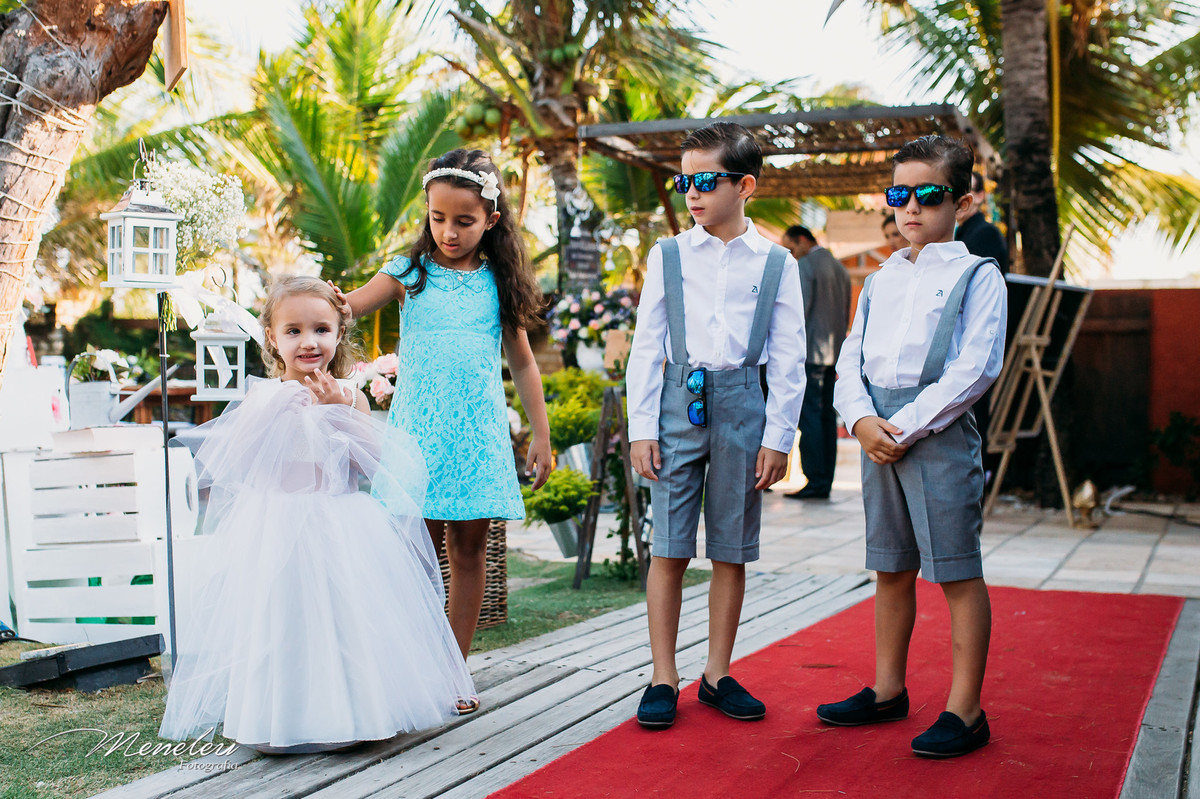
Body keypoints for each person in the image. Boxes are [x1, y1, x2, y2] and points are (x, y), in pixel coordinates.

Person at [160, 276, 476, 753]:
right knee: (282, 617)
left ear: (338, 334)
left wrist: (341, 410)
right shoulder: (263, 396)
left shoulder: (350, 393)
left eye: (321, 330)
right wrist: (277, 413)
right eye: (294, 331)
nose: (309, 341)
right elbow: (238, 462)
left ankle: (356, 713)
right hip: (278, 522)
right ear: (272, 337)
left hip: (340, 519)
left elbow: (376, 460)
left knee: (345, 618)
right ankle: (281, 717)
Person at [333, 151, 551, 701]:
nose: (448, 232)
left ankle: (454, 669)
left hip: (476, 437)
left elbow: (523, 363)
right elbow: (349, 307)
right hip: (418, 438)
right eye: (437, 218)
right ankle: (412, 665)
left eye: (463, 220)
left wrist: (542, 435)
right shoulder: (409, 273)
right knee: (413, 555)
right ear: (426, 214)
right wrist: (319, 302)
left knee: (469, 551)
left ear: (491, 220)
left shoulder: (498, 284)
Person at [816, 135, 1006, 758]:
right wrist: (862, 421)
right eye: (900, 195)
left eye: (929, 194)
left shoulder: (980, 276)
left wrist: (907, 426)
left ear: (964, 201)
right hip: (878, 433)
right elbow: (851, 359)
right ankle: (887, 689)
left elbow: (974, 368)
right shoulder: (880, 279)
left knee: (954, 567)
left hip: (939, 430)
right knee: (891, 565)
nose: (912, 208)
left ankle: (965, 709)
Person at [626, 121, 806, 729]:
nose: (692, 193)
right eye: (685, 181)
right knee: (670, 545)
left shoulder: (778, 263)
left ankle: (718, 673)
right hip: (678, 398)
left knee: (731, 546)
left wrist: (779, 437)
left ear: (745, 185)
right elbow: (647, 345)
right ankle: (662, 676)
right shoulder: (668, 254)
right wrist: (642, 426)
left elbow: (788, 356)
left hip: (743, 405)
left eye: (706, 180)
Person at [780, 225, 850, 500]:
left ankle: (814, 480)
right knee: (825, 419)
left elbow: (798, 314)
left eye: (791, 247)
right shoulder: (838, 267)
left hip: (810, 354)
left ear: (802, 240)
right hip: (834, 354)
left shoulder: (806, 265)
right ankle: (824, 480)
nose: (791, 254)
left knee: (810, 417)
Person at [955, 172, 1009, 274]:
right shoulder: (963, 232)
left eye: (964, 192)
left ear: (980, 196)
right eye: (955, 191)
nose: (958, 198)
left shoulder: (987, 234)